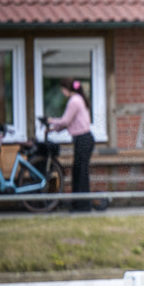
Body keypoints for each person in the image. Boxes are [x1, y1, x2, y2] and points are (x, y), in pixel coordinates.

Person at [47, 78, 94, 211]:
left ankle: (83, 206)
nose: (62, 92)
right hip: (84, 139)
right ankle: (79, 203)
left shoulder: (74, 101)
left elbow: (66, 120)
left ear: (66, 88)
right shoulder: (79, 99)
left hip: (83, 139)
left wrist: (51, 121)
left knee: (80, 173)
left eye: (62, 89)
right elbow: (68, 123)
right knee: (78, 171)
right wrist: (53, 129)